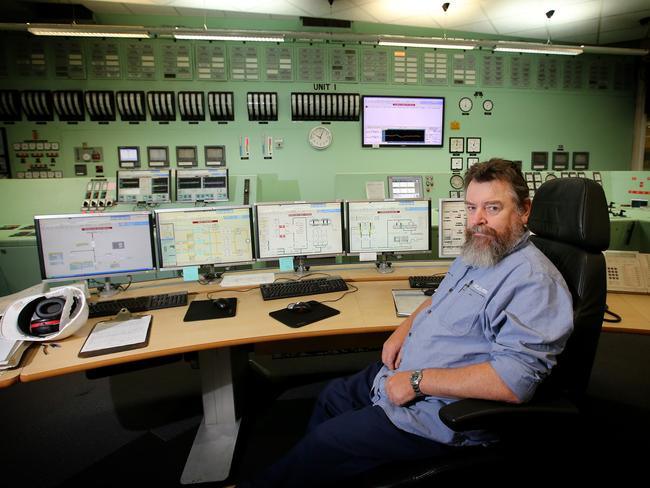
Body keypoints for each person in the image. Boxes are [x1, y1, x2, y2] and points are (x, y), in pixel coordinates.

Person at [238, 158, 573, 487]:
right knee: (332, 397)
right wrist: (403, 330)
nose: (478, 220)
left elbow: (514, 382)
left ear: (524, 210)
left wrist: (416, 381)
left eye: (492, 208)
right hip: (406, 376)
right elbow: (438, 298)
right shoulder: (483, 250)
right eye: (471, 208)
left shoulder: (534, 281)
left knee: (327, 442)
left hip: (441, 410)